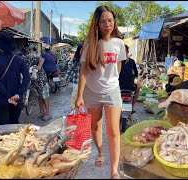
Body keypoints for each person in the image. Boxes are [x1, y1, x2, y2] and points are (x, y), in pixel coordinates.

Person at [75, 5, 126, 179]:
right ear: (97, 24)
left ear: (114, 22)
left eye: (110, 20)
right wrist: (80, 96)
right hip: (91, 92)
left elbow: (118, 67)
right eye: (103, 21)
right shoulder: (90, 44)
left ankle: (114, 171)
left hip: (112, 91)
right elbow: (84, 71)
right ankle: (100, 152)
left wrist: (111, 81)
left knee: (114, 131)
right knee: (95, 125)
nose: (107, 24)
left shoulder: (119, 43)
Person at [0, 32, 30, 125]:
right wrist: (18, 94)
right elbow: (27, 78)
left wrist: (8, 96)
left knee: (3, 129)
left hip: (1, 100)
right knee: (14, 126)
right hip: (16, 100)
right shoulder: (20, 60)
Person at [24, 46, 52, 121]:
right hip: (35, 79)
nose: (28, 50)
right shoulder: (27, 57)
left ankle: (47, 113)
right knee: (40, 96)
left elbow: (42, 60)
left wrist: (37, 68)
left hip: (41, 79)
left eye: (29, 49)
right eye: (28, 49)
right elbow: (26, 67)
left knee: (44, 96)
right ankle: (42, 112)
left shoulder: (33, 55)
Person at [119, 44, 140, 116]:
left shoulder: (117, 62)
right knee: (138, 87)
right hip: (130, 87)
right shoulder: (131, 61)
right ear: (127, 52)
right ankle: (132, 107)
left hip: (118, 87)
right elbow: (136, 73)